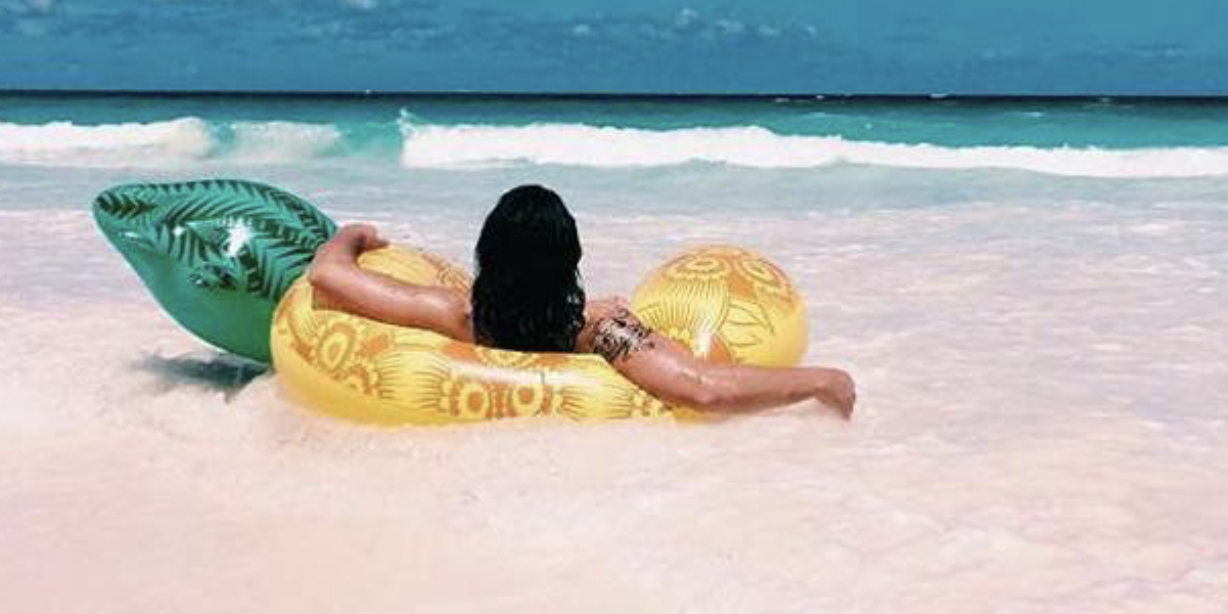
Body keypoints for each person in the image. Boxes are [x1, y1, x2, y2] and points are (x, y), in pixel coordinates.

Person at [306, 183, 856, 418]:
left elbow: (329, 276)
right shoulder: (595, 330)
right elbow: (704, 391)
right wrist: (823, 380)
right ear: (569, 258)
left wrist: (353, 234)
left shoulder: (456, 316)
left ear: (486, 255)